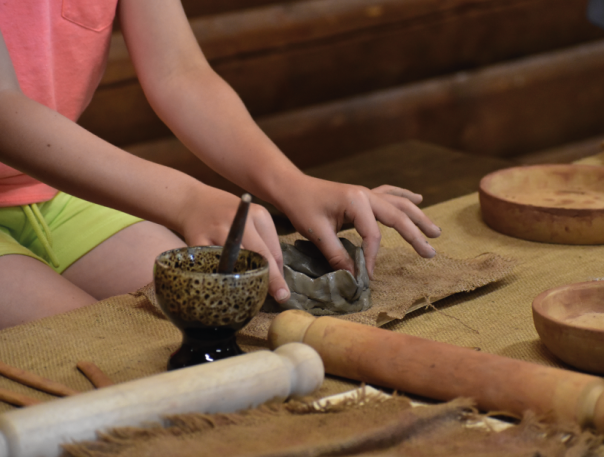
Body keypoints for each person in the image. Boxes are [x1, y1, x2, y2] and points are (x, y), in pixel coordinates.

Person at [0, 0, 441, 329]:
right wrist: (189, 200)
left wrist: (290, 183)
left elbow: (179, 73)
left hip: (52, 196)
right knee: (89, 341)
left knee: (198, 310)